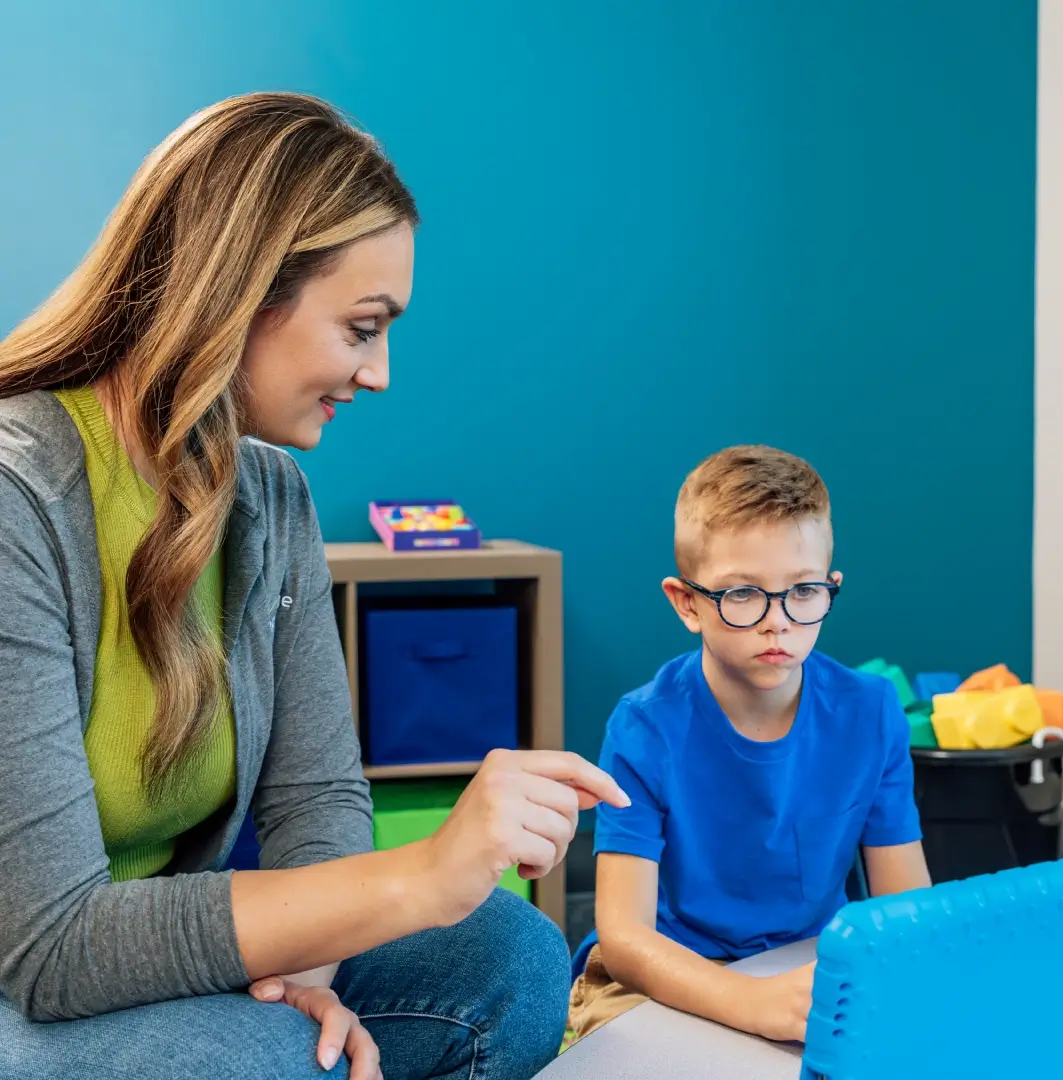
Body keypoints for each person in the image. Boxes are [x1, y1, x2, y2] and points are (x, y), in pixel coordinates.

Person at [0, 92, 628, 1080]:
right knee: (273, 1055)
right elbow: (52, 944)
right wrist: (417, 876)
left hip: (157, 968)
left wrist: (316, 970)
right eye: (363, 327)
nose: (378, 374)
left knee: (510, 956)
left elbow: (317, 796)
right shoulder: (15, 498)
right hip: (24, 981)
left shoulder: (269, 495)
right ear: (238, 291)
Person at [568, 445, 930, 1044]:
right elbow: (625, 938)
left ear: (829, 587)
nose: (778, 621)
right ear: (687, 603)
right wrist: (748, 1001)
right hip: (663, 972)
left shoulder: (871, 710)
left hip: (811, 962)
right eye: (742, 594)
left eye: (804, 591)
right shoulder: (643, 726)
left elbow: (905, 910)